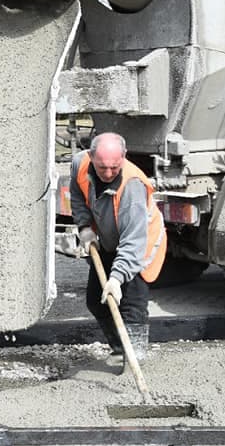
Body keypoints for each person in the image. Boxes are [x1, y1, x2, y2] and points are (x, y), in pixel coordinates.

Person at [70, 132, 167, 370]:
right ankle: (120, 349)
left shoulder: (132, 186)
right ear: (91, 156)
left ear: (123, 157)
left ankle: (135, 362)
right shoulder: (80, 164)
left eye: (114, 167)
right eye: (102, 167)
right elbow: (77, 196)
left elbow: (133, 244)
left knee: (131, 306)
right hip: (107, 238)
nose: (108, 173)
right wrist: (84, 227)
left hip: (140, 243)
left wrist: (116, 279)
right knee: (96, 300)